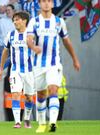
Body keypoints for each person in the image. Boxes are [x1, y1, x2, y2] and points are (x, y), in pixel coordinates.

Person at [26, 0, 80, 132]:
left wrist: (75, 58)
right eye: (43, 1)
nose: (46, 4)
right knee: (41, 95)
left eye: (48, 1)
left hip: (54, 63)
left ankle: (53, 123)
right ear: (39, 4)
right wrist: (33, 46)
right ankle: (42, 123)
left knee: (53, 90)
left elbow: (66, 41)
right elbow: (28, 39)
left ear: (52, 4)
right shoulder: (34, 21)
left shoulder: (59, 22)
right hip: (38, 64)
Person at [0, 11, 39, 128]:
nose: (15, 22)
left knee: (29, 97)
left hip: (30, 71)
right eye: (14, 20)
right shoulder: (10, 35)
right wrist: (1, 69)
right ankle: (17, 122)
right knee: (15, 94)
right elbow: (5, 52)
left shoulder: (32, 35)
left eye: (17, 19)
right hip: (15, 70)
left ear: (24, 21)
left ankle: (26, 119)